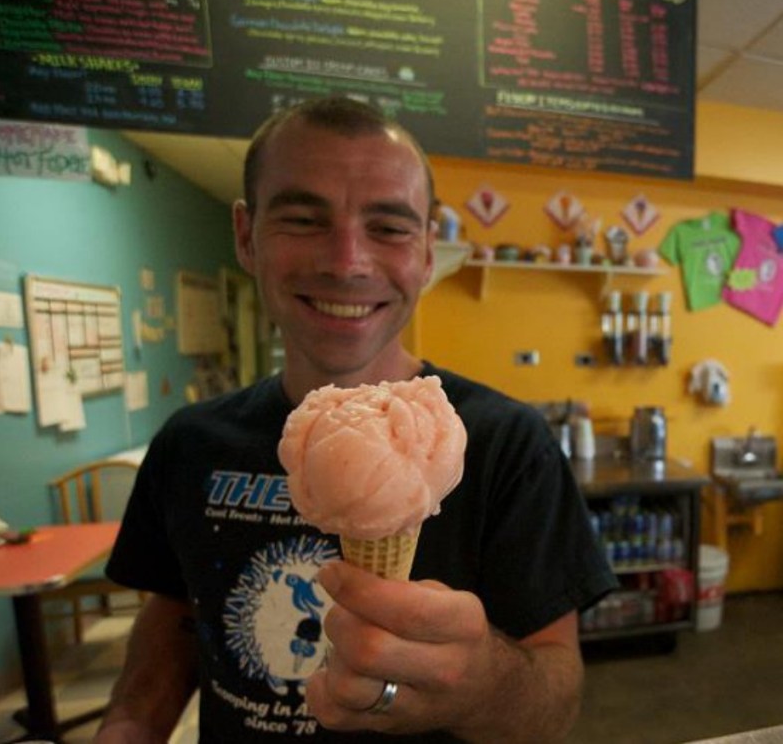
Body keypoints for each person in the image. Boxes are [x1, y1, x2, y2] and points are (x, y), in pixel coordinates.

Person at [96, 96, 617, 743]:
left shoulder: (507, 445)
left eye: (390, 227)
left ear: (428, 252)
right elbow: (176, 611)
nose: (346, 262)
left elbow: (554, 703)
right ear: (245, 236)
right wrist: (129, 723)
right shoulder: (189, 442)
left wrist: (483, 680)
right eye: (303, 218)